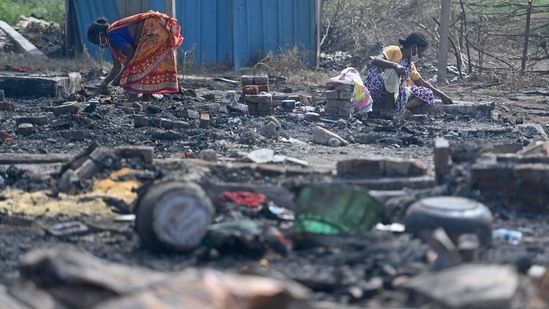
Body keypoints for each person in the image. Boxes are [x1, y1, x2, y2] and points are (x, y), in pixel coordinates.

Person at [86, 11, 183, 102]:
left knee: (135, 67)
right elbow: (117, 66)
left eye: (97, 42)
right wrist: (104, 83)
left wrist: (120, 76)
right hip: (157, 30)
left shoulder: (112, 34)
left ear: (101, 35)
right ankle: (145, 100)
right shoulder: (112, 41)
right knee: (144, 67)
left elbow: (130, 52)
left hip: (154, 31)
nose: (99, 46)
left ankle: (132, 101)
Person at [364, 32, 453, 118]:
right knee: (393, 71)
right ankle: (389, 109)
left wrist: (441, 95)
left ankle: (400, 109)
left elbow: (421, 82)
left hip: (390, 94)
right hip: (376, 89)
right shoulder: (394, 50)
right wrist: (395, 65)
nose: (421, 55)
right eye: (421, 50)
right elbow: (375, 60)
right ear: (414, 47)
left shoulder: (409, 64)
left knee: (427, 93)